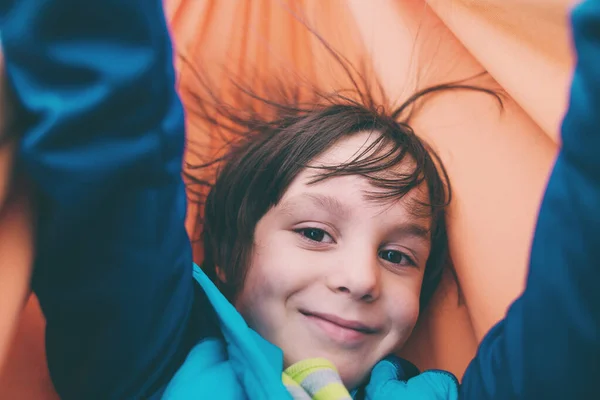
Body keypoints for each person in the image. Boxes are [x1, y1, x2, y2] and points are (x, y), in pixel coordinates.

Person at [1, 0, 599, 399]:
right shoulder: (151, 358)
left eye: (398, 256)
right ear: (232, 254)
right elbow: (111, 129)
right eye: (315, 233)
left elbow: (579, 284)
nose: (361, 277)